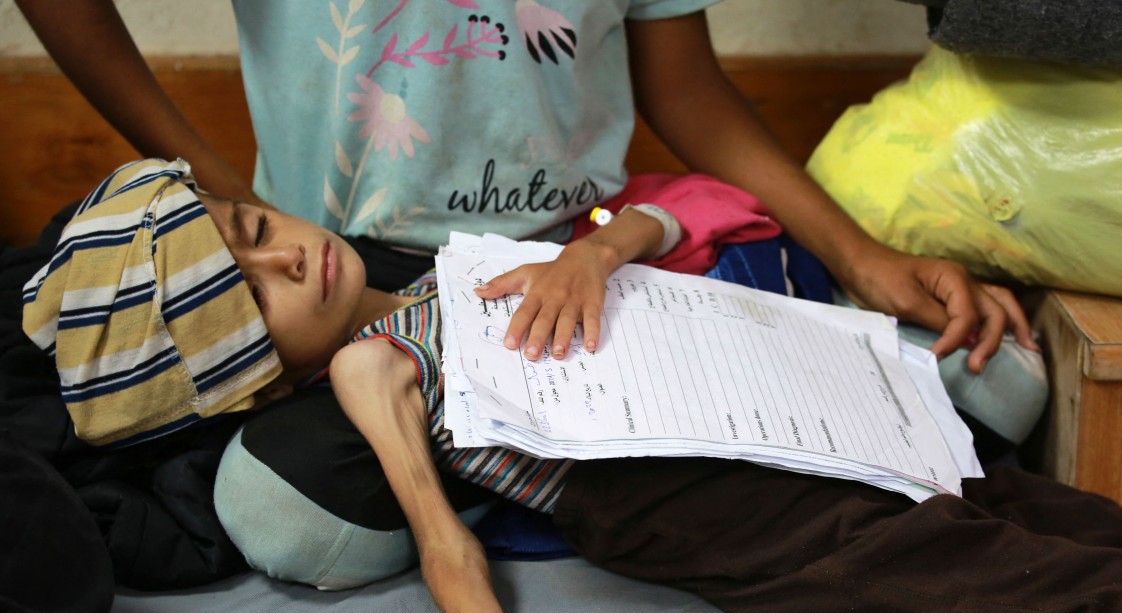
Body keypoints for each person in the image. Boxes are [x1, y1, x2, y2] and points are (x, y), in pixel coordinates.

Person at [23, 160, 1122, 613]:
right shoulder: (363, 372)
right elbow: (441, 534)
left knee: (1015, 492)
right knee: (907, 561)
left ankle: (1121, 562)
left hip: (745, 382)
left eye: (252, 226)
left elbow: (657, 221)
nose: (290, 255)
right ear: (252, 379)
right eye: (257, 295)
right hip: (665, 501)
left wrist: (594, 256)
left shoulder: (453, 253)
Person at [14, 0, 1038, 374]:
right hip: (349, 276)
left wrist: (865, 257)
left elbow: (681, 82)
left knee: (983, 384)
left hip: (585, 255)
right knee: (297, 512)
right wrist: (211, 178)